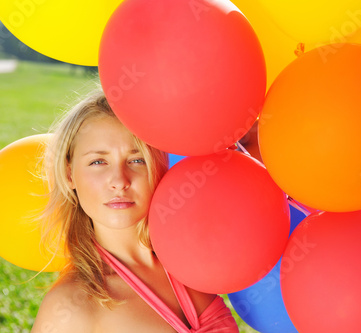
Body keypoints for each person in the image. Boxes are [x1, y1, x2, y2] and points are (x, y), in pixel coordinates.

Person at [31, 89, 239, 333]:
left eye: (136, 160)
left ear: (158, 165)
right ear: (69, 175)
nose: (119, 180)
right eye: (98, 162)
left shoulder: (190, 261)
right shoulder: (69, 308)